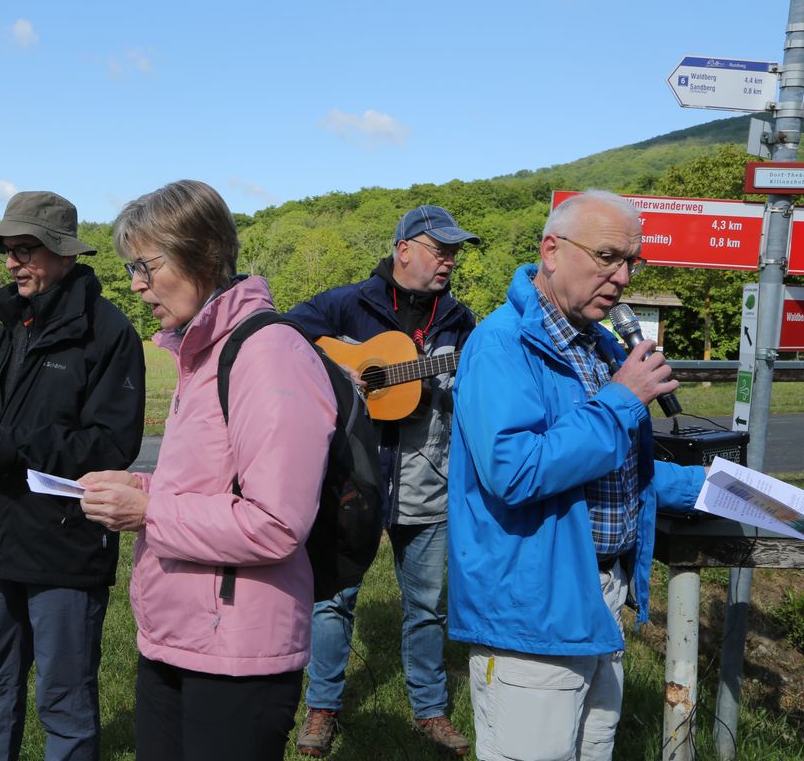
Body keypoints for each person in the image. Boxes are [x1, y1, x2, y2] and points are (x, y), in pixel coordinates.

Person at [78, 179, 337, 761]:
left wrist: (149, 510)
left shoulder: (268, 353)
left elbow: (274, 521)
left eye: (146, 265)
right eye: (131, 270)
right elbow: (218, 486)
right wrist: (142, 486)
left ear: (205, 253)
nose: (137, 285)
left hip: (240, 652)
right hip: (181, 636)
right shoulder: (201, 352)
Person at [447, 189, 704, 761]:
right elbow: (516, 471)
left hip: (600, 594)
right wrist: (621, 401)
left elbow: (611, 474)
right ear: (552, 250)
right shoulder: (501, 345)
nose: (622, 277)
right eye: (608, 256)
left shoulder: (598, 345)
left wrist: (714, 489)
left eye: (632, 262)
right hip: (533, 604)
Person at [0, 190, 146, 761]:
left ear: (63, 252)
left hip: (65, 545)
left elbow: (111, 443)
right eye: (7, 249)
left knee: (64, 698)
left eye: (24, 249)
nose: (11, 262)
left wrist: (10, 445)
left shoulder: (108, 332)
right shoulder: (9, 327)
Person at [288, 204, 477, 757]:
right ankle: (322, 707)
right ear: (403, 250)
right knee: (331, 601)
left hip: (427, 480)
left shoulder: (461, 321)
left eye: (454, 252)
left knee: (426, 606)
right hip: (350, 482)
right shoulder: (347, 303)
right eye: (439, 249)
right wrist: (337, 372)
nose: (449, 260)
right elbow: (278, 335)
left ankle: (430, 709)